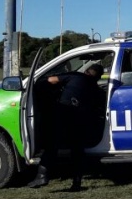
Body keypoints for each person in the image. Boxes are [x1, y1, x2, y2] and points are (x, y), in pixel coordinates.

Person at [28, 63, 106, 191]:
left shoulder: (75, 76)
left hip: (64, 113)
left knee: (52, 145)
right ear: (98, 77)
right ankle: (76, 183)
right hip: (81, 119)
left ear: (86, 71)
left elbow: (50, 80)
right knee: (77, 151)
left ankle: (42, 175)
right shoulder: (96, 89)